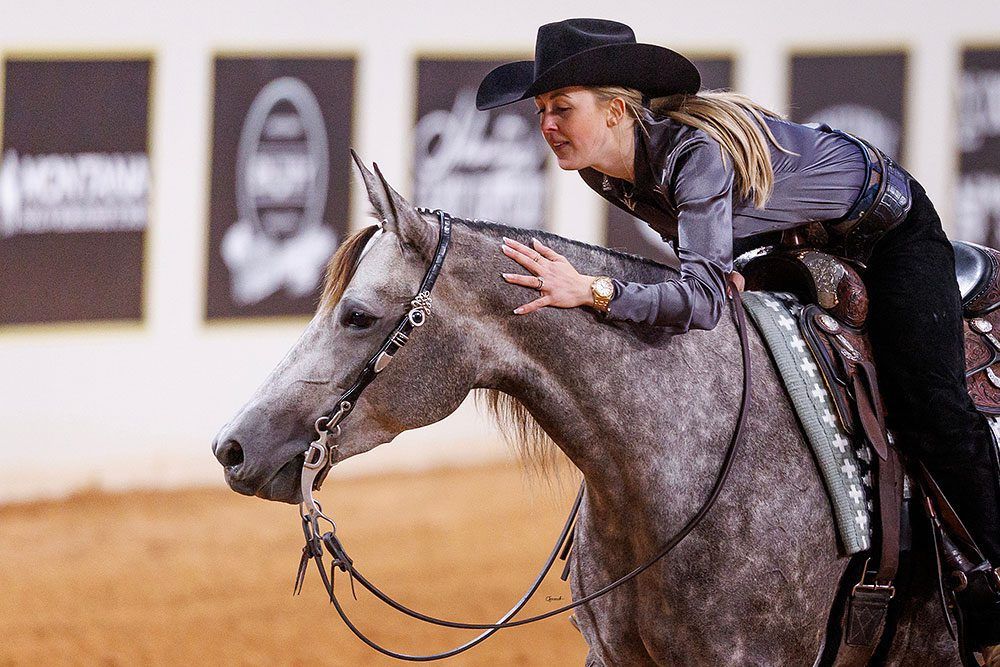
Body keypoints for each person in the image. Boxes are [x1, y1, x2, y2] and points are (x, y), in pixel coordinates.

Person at [477, 17, 1000, 655]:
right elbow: (710, 269)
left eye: (562, 107)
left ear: (615, 110)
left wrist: (594, 290)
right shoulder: (603, 171)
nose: (547, 125)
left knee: (929, 401)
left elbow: (700, 300)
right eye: (541, 111)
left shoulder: (694, 156)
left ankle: (994, 573)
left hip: (889, 233)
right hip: (793, 240)